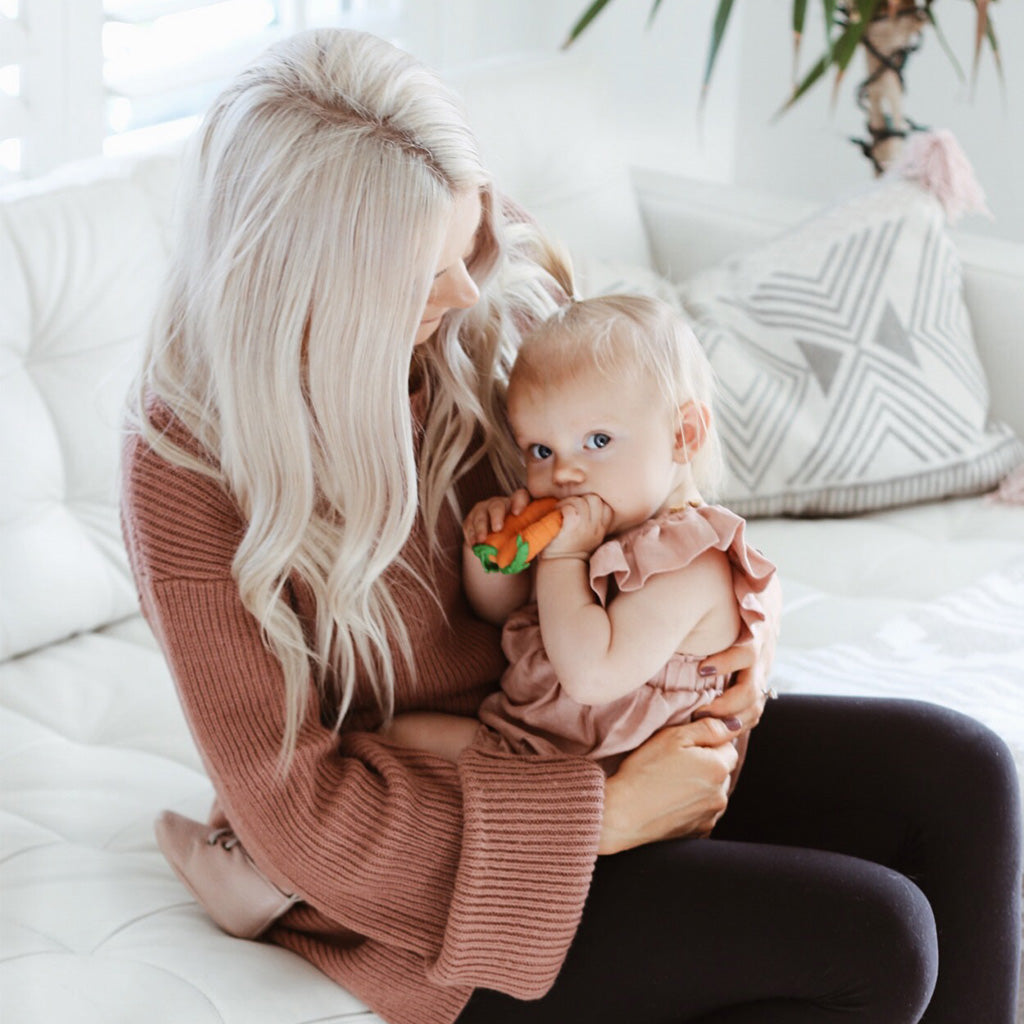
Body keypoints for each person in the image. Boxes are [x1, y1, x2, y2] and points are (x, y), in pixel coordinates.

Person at [120, 26, 1021, 1024]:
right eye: (425, 271)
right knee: (874, 937)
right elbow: (297, 813)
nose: (467, 287)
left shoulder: (487, 292)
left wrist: (737, 635)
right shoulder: (186, 463)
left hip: (592, 718)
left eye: (467, 238)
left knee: (962, 773)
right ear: (313, 287)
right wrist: (607, 817)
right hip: (446, 848)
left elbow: (638, 483)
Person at [382, 294, 777, 777]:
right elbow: (501, 613)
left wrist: (563, 558)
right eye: (541, 449)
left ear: (683, 435)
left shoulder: (688, 563)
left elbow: (590, 676)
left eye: (598, 441)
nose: (565, 472)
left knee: (401, 746)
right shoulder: (601, 529)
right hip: (530, 745)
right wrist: (488, 550)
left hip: (617, 780)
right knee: (391, 738)